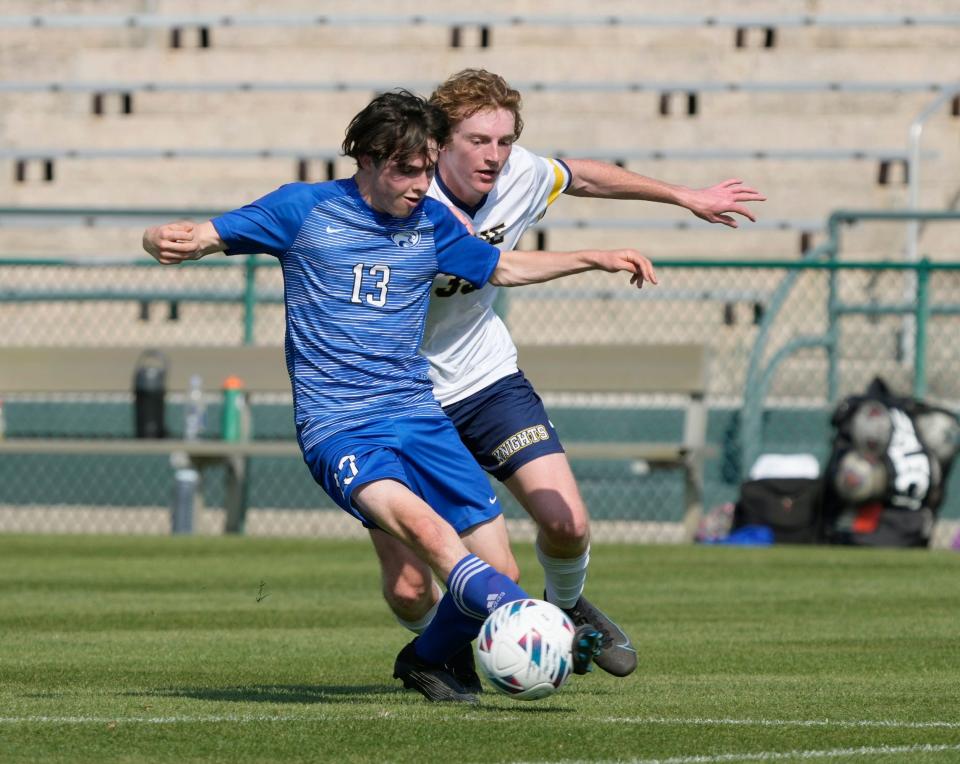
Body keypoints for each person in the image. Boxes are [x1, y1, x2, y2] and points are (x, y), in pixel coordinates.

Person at [143, 90, 658, 703]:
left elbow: (501, 268)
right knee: (436, 541)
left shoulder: (434, 223)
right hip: (340, 426)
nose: (421, 184)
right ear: (365, 159)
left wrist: (594, 258)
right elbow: (199, 235)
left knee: (502, 569)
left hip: (419, 415)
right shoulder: (301, 209)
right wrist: (161, 238)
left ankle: (427, 659)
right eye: (406, 170)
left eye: (427, 166)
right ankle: (544, 630)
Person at [370, 69, 767, 685]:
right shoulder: (402, 197)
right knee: (409, 588)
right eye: (478, 141)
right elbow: (495, 267)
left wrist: (685, 195)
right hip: (398, 399)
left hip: (484, 378)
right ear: (439, 143)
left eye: (503, 141)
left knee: (567, 522)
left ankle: (565, 607)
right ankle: (441, 651)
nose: (494, 156)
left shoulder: (520, 174)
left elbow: (581, 174)